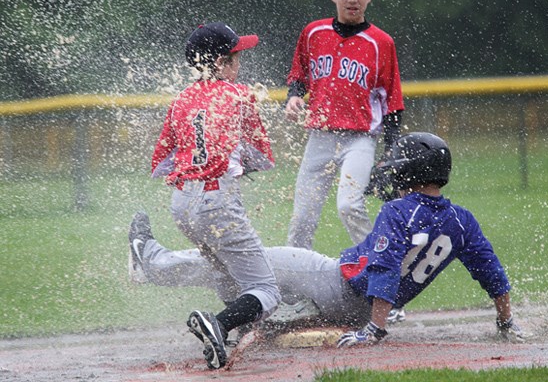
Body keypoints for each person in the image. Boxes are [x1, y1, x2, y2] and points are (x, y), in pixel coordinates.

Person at [129, 132, 526, 359]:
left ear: (411, 170)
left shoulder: (397, 210)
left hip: (336, 284)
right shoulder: (462, 220)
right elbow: (492, 274)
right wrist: (505, 322)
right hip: (358, 309)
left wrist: (375, 329)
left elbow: (385, 268)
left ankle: (153, 263)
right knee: (264, 300)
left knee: (247, 259)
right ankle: (253, 322)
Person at [131, 21, 282, 370]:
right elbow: (261, 157)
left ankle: (231, 332)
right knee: (267, 290)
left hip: (182, 203)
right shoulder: (238, 94)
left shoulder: (181, 99)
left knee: (227, 276)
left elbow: (163, 163)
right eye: (234, 56)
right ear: (219, 63)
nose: (239, 63)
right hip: (218, 201)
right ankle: (220, 323)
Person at [284, 0, 405, 254]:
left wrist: (391, 150)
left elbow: (392, 102)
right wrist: (293, 97)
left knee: (349, 206)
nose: (352, 0)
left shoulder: (381, 42)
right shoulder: (313, 32)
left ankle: (380, 266)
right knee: (302, 219)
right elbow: (299, 76)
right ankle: (295, 291)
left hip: (360, 139)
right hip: (320, 137)